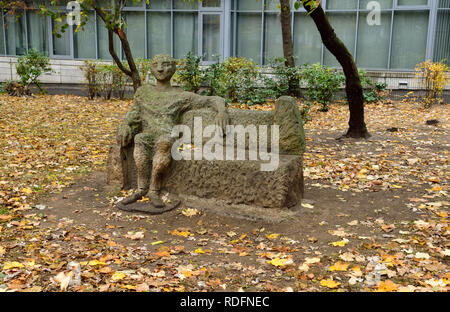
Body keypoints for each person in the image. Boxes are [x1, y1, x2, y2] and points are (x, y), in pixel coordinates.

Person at [116, 54, 229, 209]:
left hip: (167, 136)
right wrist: (125, 125)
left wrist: (222, 112)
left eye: (166, 64)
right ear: (151, 68)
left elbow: (213, 100)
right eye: (156, 64)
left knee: (164, 143)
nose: (161, 69)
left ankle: (154, 190)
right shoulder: (143, 93)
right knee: (140, 139)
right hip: (148, 134)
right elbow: (134, 114)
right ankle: (141, 189)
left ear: (174, 68)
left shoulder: (181, 96)